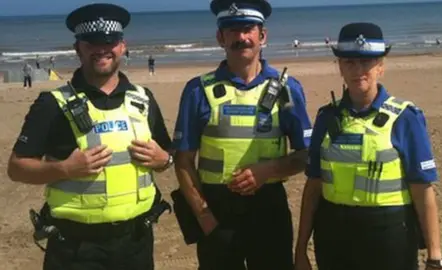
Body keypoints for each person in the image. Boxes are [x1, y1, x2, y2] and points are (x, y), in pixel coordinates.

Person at [7, 4, 174, 270]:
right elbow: (16, 169)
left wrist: (164, 159)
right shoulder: (52, 103)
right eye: (92, 42)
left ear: (122, 46)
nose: (101, 49)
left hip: (136, 242)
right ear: (78, 48)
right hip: (75, 247)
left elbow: (168, 154)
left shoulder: (143, 99)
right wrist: (64, 168)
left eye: (109, 41)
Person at [173, 0, 312, 269]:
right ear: (220, 37)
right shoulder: (197, 90)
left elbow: (307, 155)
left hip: (269, 210)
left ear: (262, 36)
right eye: (232, 30)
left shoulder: (286, 89)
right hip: (216, 211)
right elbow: (183, 161)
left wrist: (269, 169)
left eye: (248, 29)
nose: (241, 38)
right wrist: (205, 218)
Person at [294, 22, 442, 270]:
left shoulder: (405, 118)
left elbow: (423, 190)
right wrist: (300, 250)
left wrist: (434, 256)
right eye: (350, 63)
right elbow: (313, 188)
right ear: (340, 67)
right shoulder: (326, 118)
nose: (358, 70)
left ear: (381, 67)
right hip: (333, 236)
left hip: (389, 236)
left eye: (367, 62)